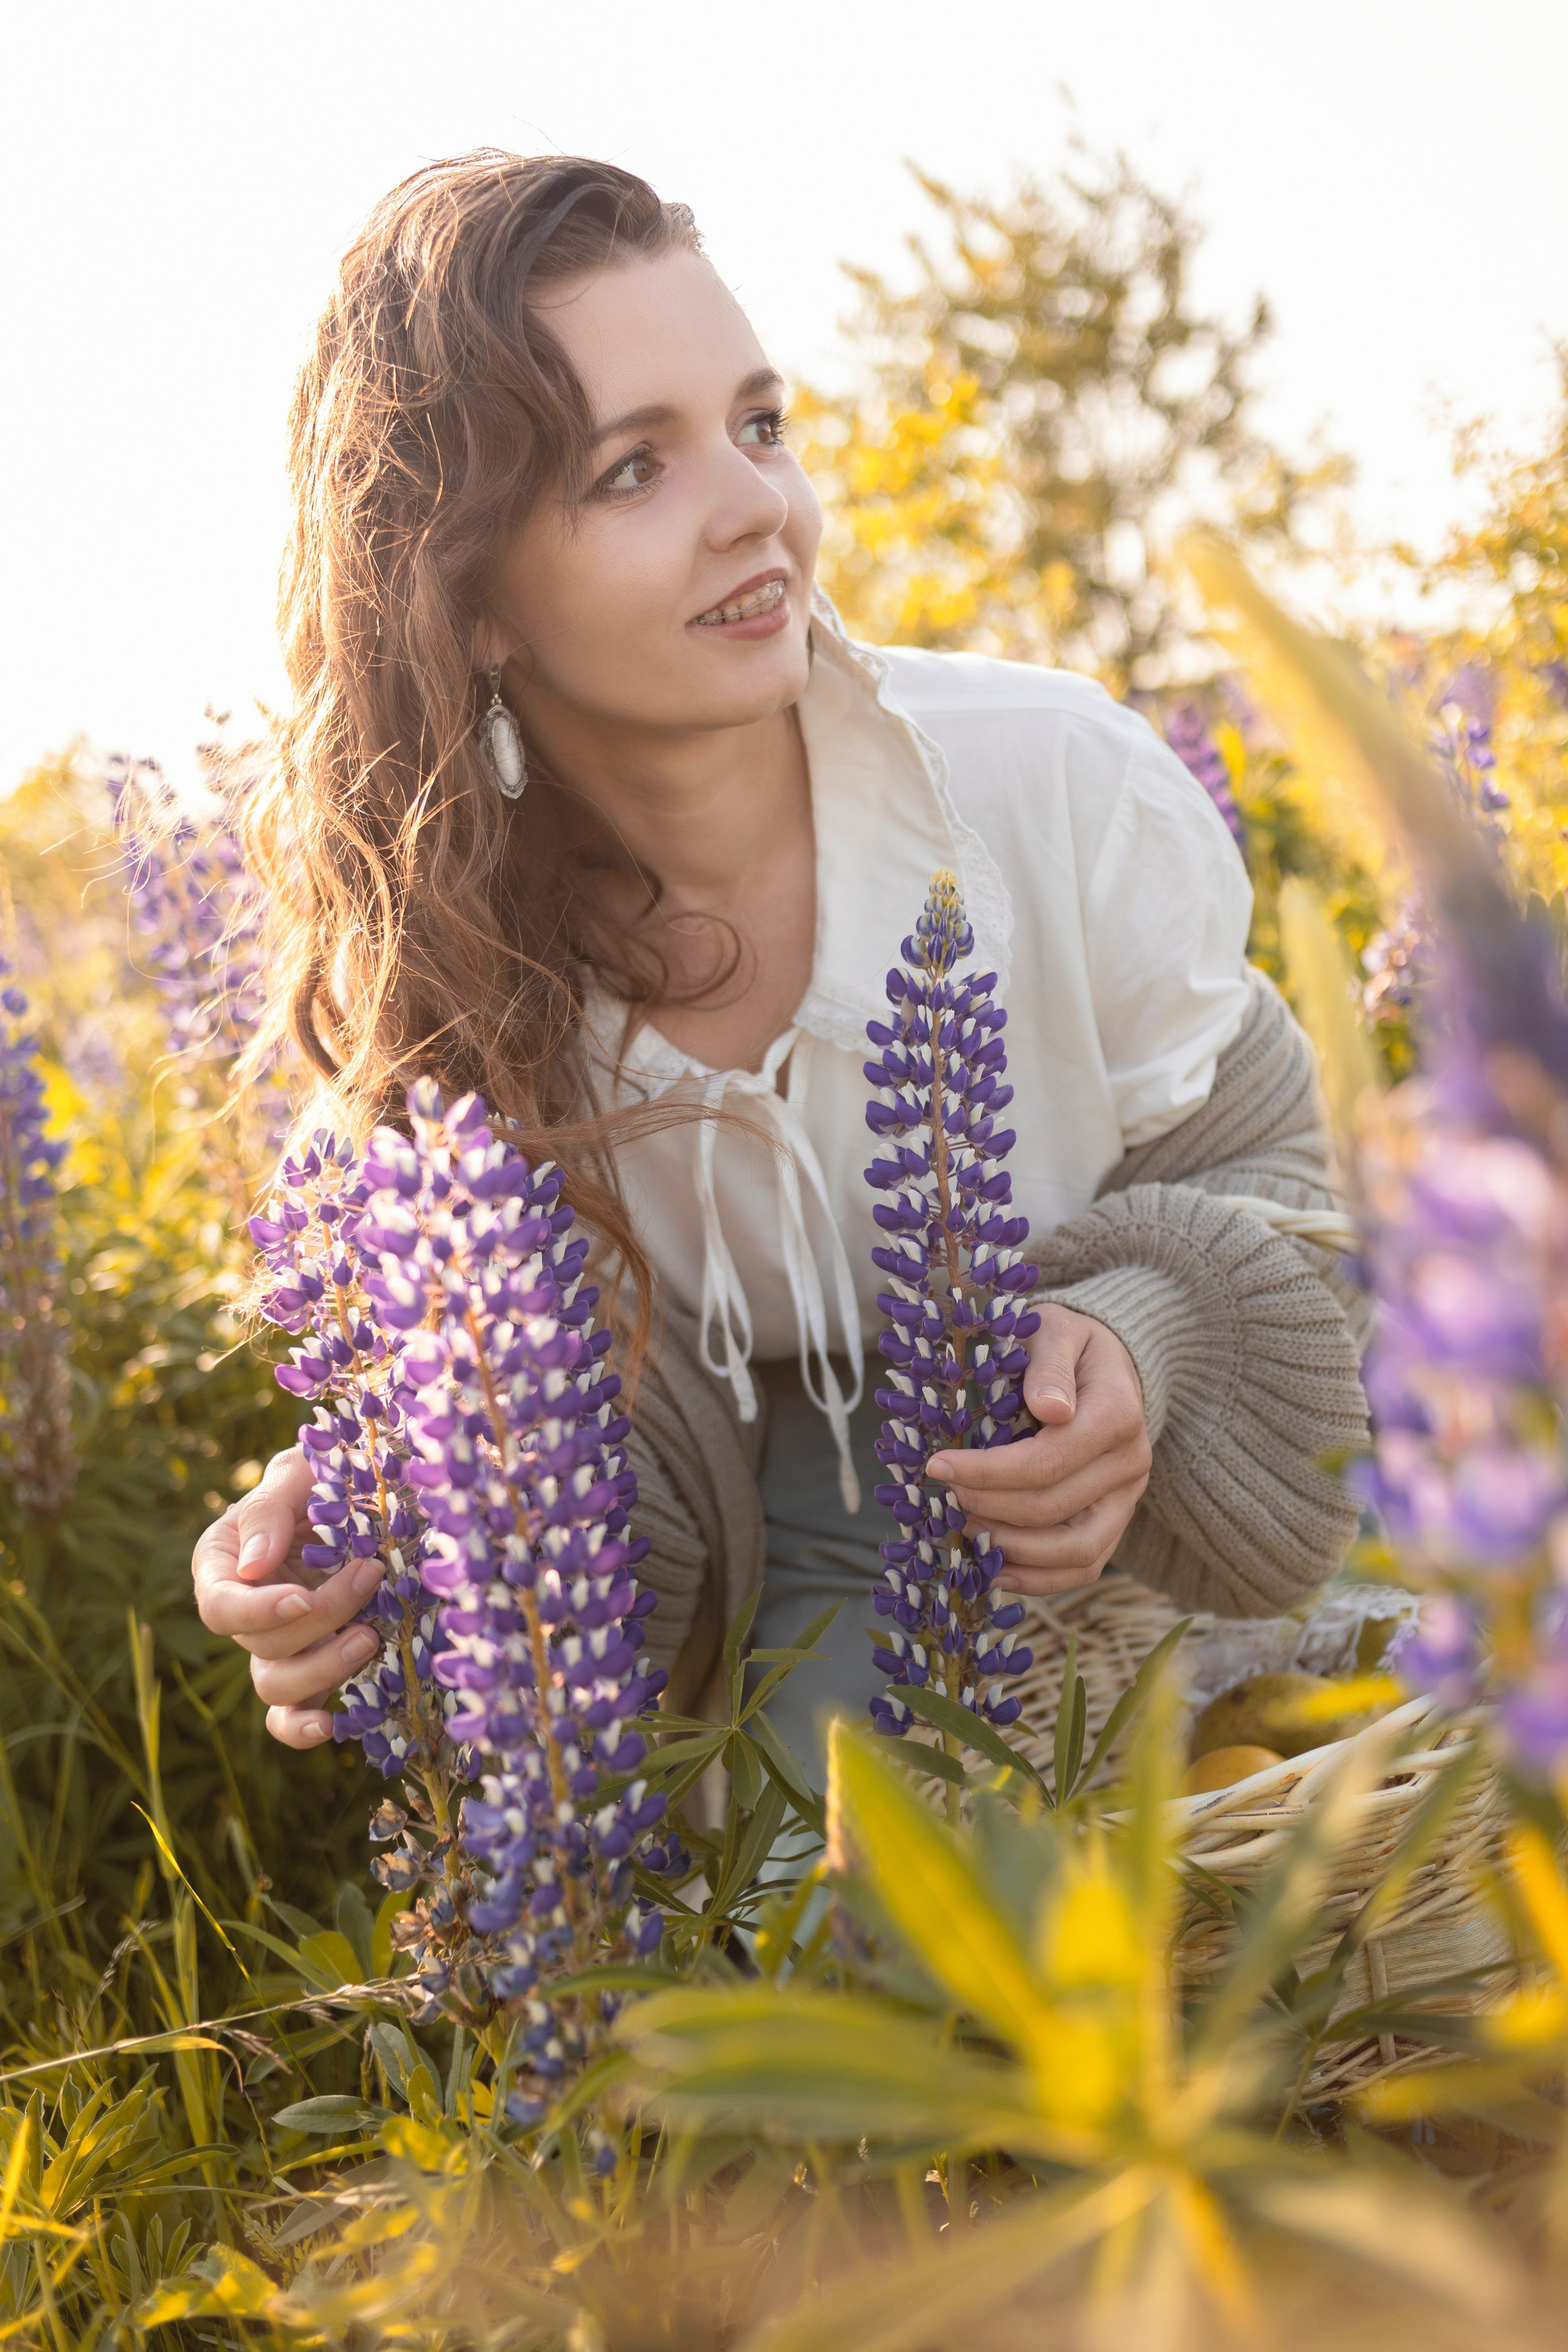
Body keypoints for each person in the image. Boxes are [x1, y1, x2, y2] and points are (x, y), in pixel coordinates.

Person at [190, 151, 1368, 1785]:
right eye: (630, 471)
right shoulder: (445, 964)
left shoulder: (1055, 783)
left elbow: (1288, 1192)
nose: (758, 506)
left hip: (1159, 1553)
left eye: (759, 424)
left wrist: (1143, 1331)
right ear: (470, 607)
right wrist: (361, 1511)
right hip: (794, 1638)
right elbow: (503, 1419)